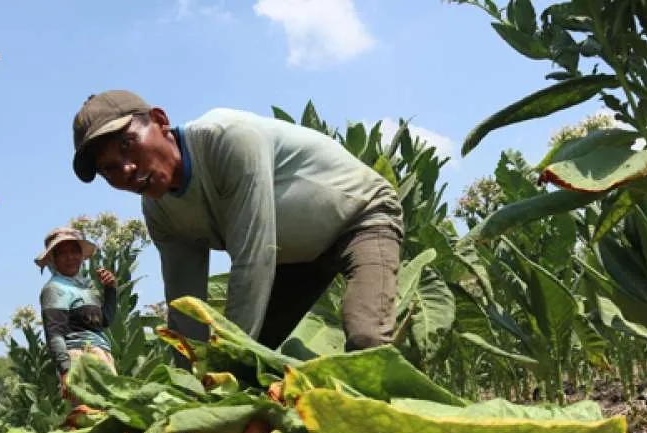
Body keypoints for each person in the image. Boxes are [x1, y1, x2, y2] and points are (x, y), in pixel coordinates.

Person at [70, 90, 404, 352]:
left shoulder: (226, 138)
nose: (126, 170)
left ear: (160, 120)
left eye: (128, 145)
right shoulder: (160, 212)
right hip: (293, 260)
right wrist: (186, 389)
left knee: (367, 339)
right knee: (251, 363)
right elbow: (186, 306)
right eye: (109, 169)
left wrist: (225, 359)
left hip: (360, 219)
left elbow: (254, 256)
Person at [35, 227, 118, 399]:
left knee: (110, 413)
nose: (70, 257)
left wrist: (110, 289)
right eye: (62, 253)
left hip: (101, 353)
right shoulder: (54, 289)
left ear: (81, 256)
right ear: (53, 259)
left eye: (74, 251)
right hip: (78, 357)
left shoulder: (85, 286)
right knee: (89, 413)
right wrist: (66, 370)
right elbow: (54, 333)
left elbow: (105, 321)